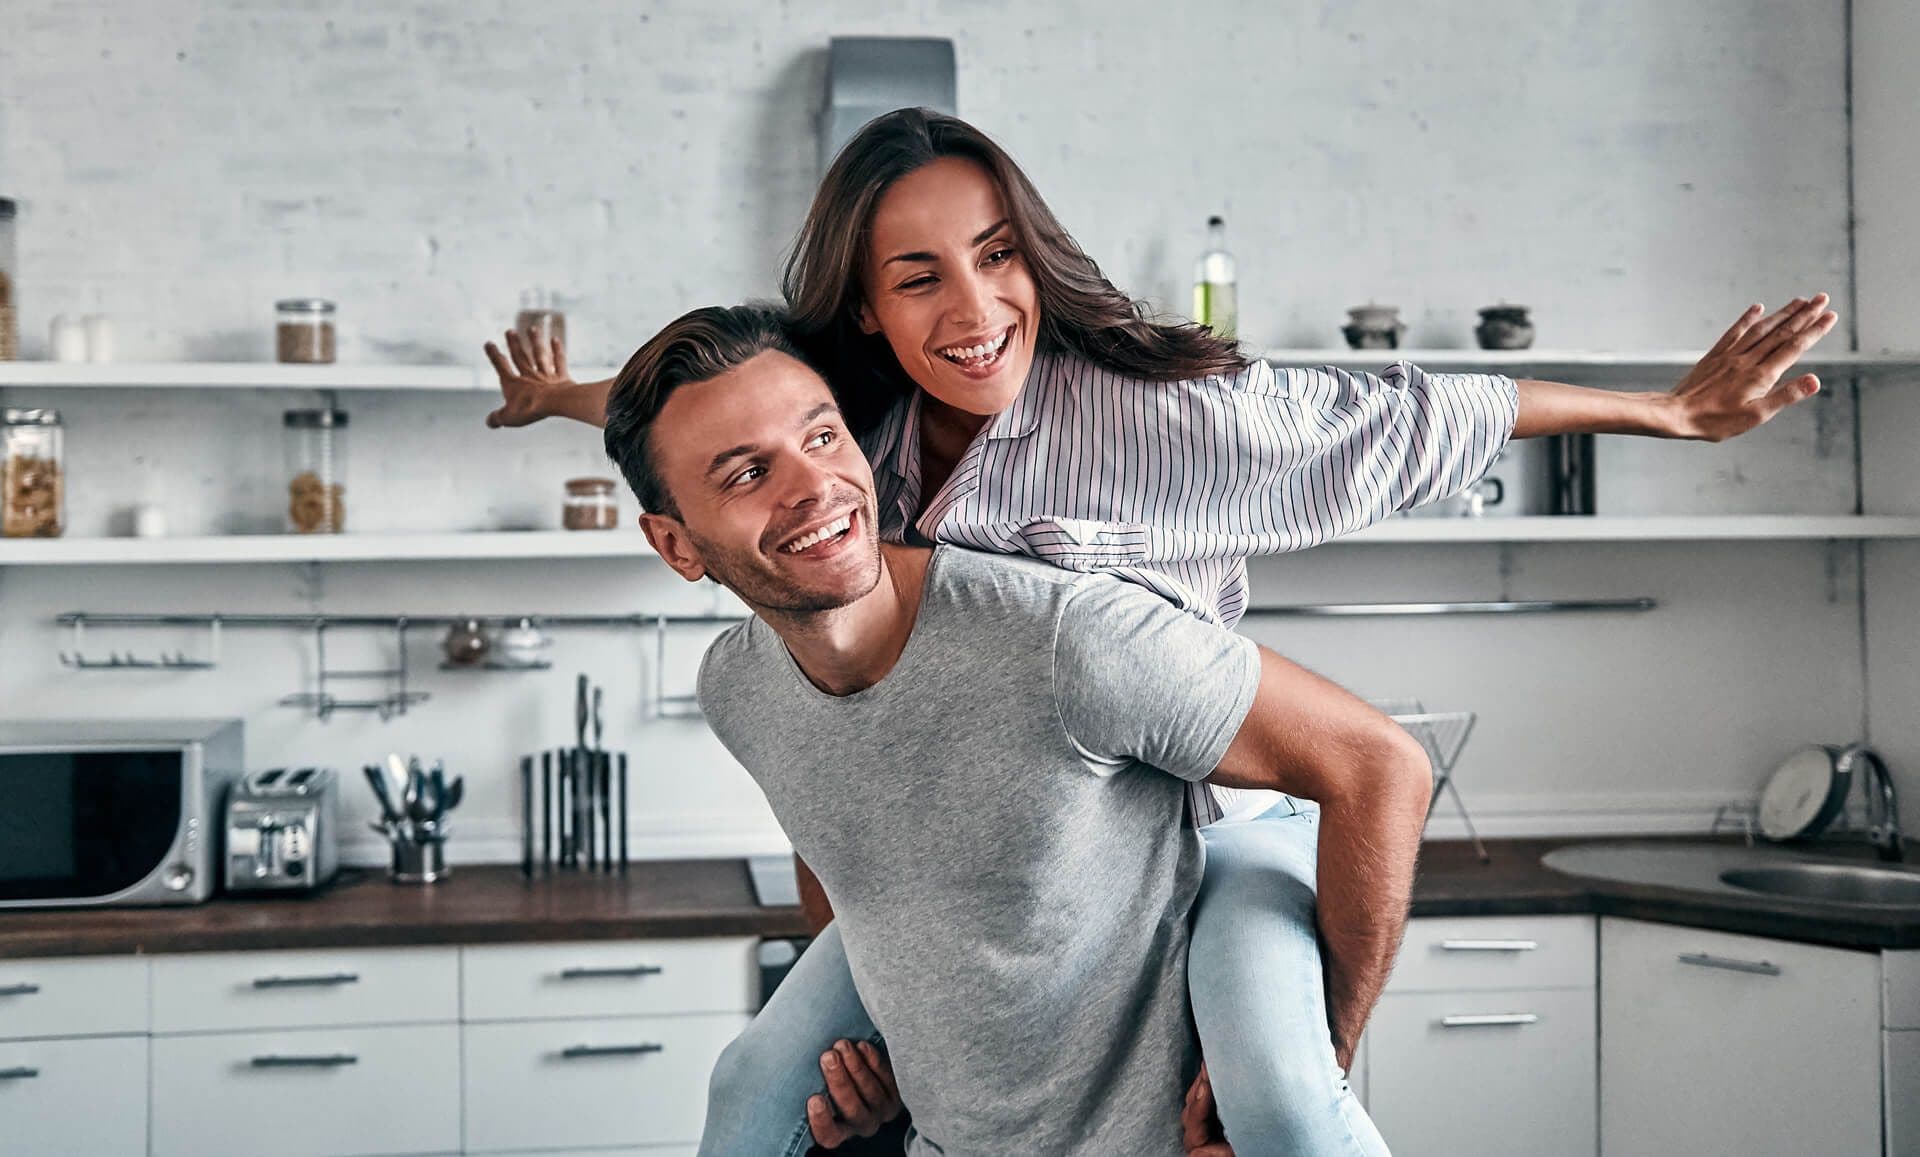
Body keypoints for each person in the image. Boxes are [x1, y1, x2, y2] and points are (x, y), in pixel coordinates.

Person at [485, 110, 1836, 1153]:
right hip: (993, 859)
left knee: (1282, 1106)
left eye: (997, 256)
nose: (973, 310)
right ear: (866, 311)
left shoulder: (1161, 415)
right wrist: (561, 398)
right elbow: (699, 412)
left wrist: (1659, 414)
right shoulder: (853, 434)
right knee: (758, 1081)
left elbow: (1404, 413)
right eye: (919, 279)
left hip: (1208, 836)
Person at [604, 303, 1433, 1155]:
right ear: (676, 544)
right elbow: (830, 840)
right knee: (744, 1094)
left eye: (821, 438)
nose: (813, 486)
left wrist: (1316, 1056)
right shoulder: (739, 684)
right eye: (745, 473)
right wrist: (873, 1045)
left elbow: (1379, 763)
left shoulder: (1064, 636)